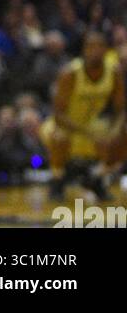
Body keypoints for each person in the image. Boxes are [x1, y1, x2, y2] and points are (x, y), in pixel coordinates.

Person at [40, 30, 126, 201]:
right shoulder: (70, 73)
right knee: (59, 137)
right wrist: (89, 133)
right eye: (91, 47)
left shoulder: (113, 72)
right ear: (84, 50)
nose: (96, 51)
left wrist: (114, 131)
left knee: (122, 135)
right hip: (65, 124)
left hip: (92, 124)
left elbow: (120, 109)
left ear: (106, 50)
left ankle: (96, 178)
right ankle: (57, 181)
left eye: (100, 47)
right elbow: (58, 115)